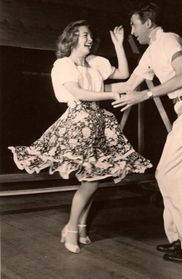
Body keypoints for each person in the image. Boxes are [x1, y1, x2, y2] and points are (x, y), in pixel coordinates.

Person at [8, 20, 152, 254]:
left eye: (90, 35)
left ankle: (81, 227)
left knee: (94, 178)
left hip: (97, 122)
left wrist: (118, 45)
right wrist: (112, 93)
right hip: (78, 123)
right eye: (84, 35)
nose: (90, 39)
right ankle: (72, 228)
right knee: (91, 180)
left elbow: (124, 76)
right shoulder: (63, 65)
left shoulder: (95, 63)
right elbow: (78, 93)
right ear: (72, 38)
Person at [107, 2, 182, 263]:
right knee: (164, 173)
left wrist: (145, 94)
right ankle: (180, 239)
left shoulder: (168, 39)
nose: (132, 31)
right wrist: (82, 85)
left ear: (148, 22)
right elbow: (128, 84)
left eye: (134, 25)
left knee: (176, 173)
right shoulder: (150, 52)